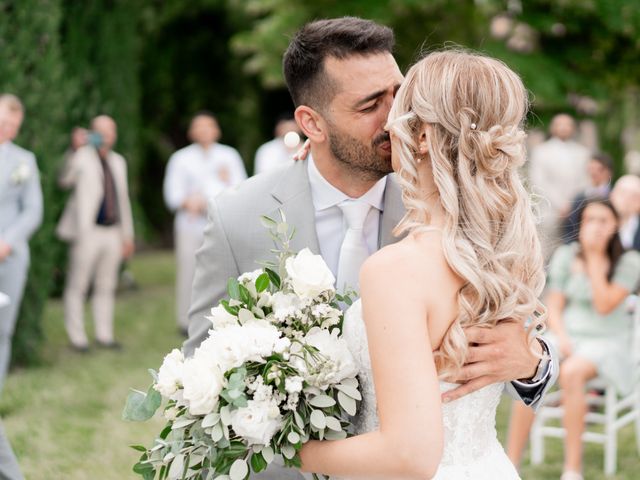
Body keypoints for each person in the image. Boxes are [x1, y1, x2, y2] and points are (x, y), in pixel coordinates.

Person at [184, 17, 556, 479]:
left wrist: (533, 361)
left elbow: (530, 336)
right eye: (369, 106)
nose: (394, 118)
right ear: (312, 123)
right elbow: (203, 369)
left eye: (399, 95)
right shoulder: (239, 217)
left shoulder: (461, 211)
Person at [507, 198, 640, 480]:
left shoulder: (629, 261)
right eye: (589, 220)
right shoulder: (568, 255)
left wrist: (593, 259)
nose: (595, 226)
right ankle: (511, 463)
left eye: (603, 220)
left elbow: (605, 305)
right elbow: (553, 305)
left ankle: (572, 468)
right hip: (568, 335)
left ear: (615, 225)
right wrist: (563, 337)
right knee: (530, 368)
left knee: (572, 371)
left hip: (607, 340)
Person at [163, 112, 247, 335]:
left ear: (216, 130)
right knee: (189, 272)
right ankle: (186, 321)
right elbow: (172, 194)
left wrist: (219, 187)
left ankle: (221, 318)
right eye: (198, 127)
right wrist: (188, 202)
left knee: (222, 272)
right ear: (191, 132)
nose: (204, 131)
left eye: (208, 126)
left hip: (221, 225)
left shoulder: (229, 156)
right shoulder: (181, 159)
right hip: (190, 226)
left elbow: (241, 188)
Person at [56, 115, 135, 351]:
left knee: (106, 284)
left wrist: (127, 235)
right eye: (101, 131)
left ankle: (104, 335)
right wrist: (74, 149)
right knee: (78, 284)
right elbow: (63, 180)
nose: (106, 136)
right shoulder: (81, 157)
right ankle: (77, 337)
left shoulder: (119, 161)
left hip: (112, 231)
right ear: (92, 132)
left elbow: (123, 200)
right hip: (87, 231)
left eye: (111, 131)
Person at [0, 93, 40, 480]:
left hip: (10, 257)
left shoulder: (24, 161)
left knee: (2, 331)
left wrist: (7, 241)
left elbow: (33, 210)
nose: (7, 128)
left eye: (13, 123)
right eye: (2, 120)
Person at [529, 113, 591, 261]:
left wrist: (572, 204)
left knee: (572, 249)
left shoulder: (583, 153)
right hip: (549, 210)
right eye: (560, 124)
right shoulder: (541, 151)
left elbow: (585, 181)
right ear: (553, 127)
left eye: (567, 124)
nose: (564, 128)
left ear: (573, 128)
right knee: (545, 250)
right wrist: (560, 205)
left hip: (575, 210)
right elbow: (539, 181)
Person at [562, 152, 613, 243]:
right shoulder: (579, 198)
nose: (594, 173)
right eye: (591, 169)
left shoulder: (615, 196)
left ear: (608, 172)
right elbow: (570, 229)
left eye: (599, 169)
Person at [611, 174, 640, 252]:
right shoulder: (601, 222)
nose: (627, 199)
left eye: (634, 196)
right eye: (623, 193)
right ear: (612, 195)